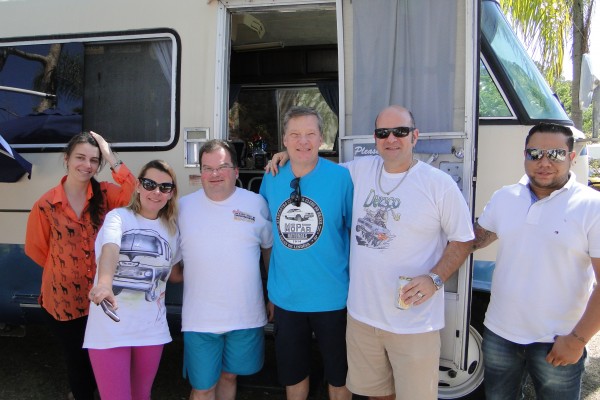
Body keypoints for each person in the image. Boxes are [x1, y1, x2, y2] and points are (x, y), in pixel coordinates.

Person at [267, 105, 474, 400]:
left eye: (400, 131)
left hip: (413, 321)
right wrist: (288, 153)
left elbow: (463, 240)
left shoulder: (437, 184)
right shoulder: (358, 171)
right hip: (363, 318)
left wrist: (435, 279)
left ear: (414, 136)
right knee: (376, 395)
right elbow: (312, 165)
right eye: (383, 132)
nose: (391, 138)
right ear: (375, 138)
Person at [472, 122, 600, 400]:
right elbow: (473, 239)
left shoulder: (592, 206)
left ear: (571, 157)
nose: (544, 162)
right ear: (524, 155)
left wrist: (577, 340)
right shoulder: (505, 197)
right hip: (499, 334)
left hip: (558, 339)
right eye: (534, 154)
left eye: (555, 154)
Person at [25, 131, 136, 400]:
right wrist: (66, 269)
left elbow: (137, 195)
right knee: (77, 361)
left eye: (94, 160)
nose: (87, 165)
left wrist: (110, 155)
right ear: (66, 159)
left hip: (101, 298)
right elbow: (37, 249)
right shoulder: (46, 205)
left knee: (101, 358)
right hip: (63, 301)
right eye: (80, 157)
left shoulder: (106, 195)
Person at [259, 106, 354, 400]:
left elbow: (354, 234)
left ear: (321, 138)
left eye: (310, 133)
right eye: (295, 134)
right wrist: (270, 291)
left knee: (340, 377)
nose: (303, 141)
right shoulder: (272, 177)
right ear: (284, 140)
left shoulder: (341, 178)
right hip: (287, 299)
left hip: (334, 298)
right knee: (294, 376)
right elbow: (267, 237)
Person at [177, 139, 273, 400]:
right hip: (200, 318)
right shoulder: (182, 208)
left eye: (222, 167)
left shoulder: (256, 203)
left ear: (236, 170)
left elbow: (268, 249)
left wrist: (272, 295)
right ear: (200, 173)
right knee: (203, 387)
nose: (215, 174)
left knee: (230, 376)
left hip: (245, 314)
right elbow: (172, 257)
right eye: (207, 168)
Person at [83, 159, 180, 400]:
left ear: (171, 193)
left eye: (165, 187)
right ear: (137, 186)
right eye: (149, 184)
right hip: (110, 328)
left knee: (141, 395)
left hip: (152, 330)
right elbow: (110, 248)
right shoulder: (118, 217)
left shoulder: (172, 230)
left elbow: (175, 273)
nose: (156, 192)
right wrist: (104, 284)